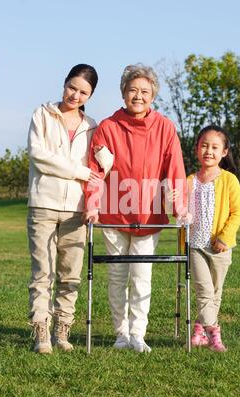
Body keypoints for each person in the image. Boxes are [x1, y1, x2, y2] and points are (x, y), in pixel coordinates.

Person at [84, 64, 188, 353]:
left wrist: (179, 207)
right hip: (113, 213)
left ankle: (138, 335)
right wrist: (92, 206)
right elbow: (96, 171)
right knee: (117, 277)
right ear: (123, 93)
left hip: (149, 214)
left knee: (141, 276)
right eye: (133, 90)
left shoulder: (166, 127)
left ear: (152, 95)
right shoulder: (108, 127)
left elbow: (175, 170)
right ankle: (121, 334)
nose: (138, 96)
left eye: (144, 91)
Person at [27, 64, 113, 354]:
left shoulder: (93, 126)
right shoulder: (42, 114)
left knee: (71, 274)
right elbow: (40, 156)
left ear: (91, 95)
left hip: (77, 210)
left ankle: (62, 331)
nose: (75, 95)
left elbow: (107, 163)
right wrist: (79, 171)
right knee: (43, 272)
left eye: (83, 92)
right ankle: (41, 331)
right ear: (64, 83)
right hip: (42, 204)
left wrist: (106, 157)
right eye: (72, 87)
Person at [187, 125, 240, 352]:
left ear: (224, 152)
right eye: (204, 146)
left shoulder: (229, 180)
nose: (208, 151)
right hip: (195, 245)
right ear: (196, 149)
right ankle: (215, 336)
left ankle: (200, 331)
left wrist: (224, 236)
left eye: (214, 147)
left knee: (216, 293)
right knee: (204, 290)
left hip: (221, 247)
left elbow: (238, 211)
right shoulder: (190, 179)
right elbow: (179, 210)